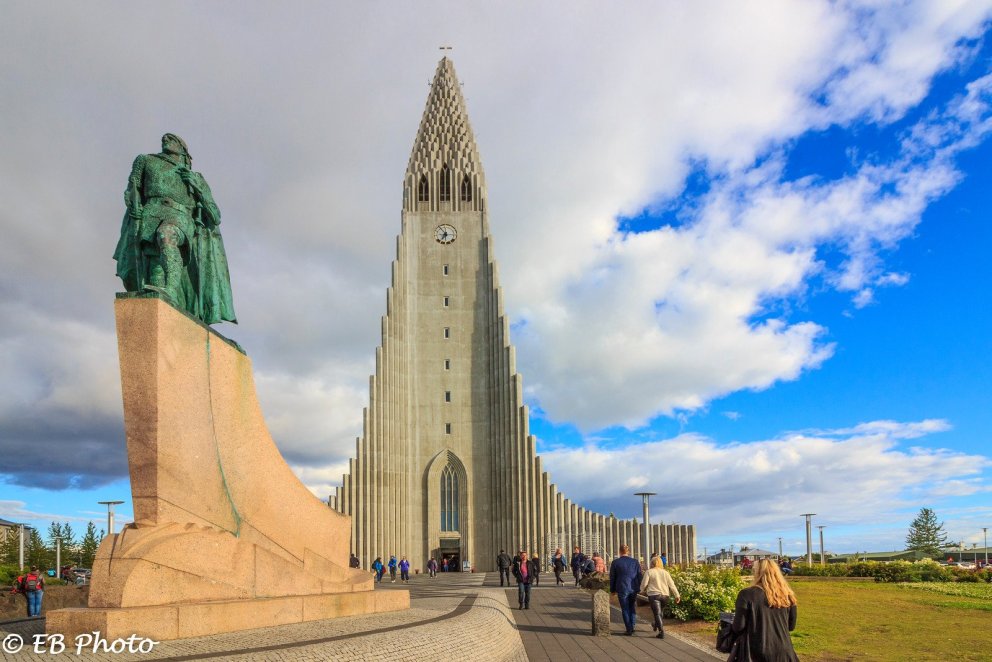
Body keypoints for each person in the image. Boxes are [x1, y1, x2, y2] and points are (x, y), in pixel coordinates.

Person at [114, 134, 236, 325]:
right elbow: (132, 189)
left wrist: (198, 188)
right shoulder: (145, 160)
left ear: (184, 150)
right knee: (155, 275)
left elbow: (215, 216)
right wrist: (133, 204)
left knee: (166, 235)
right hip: (151, 215)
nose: (166, 139)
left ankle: (171, 289)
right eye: (165, 138)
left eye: (172, 139)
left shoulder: (195, 177)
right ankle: (162, 317)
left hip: (180, 216)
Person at [731, 558, 799, 661]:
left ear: (757, 573)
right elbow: (791, 626)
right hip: (784, 651)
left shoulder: (746, 594)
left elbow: (738, 627)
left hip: (756, 652)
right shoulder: (788, 595)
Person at [640, 556, 680, 639]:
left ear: (652, 563)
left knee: (657, 613)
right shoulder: (665, 572)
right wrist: (677, 595)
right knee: (660, 612)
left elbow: (644, 584)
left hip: (654, 595)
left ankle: (661, 632)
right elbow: (672, 585)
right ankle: (655, 624)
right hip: (665, 595)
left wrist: (641, 590)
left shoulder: (649, 572)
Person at [609, 544, 643, 636]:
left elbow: (612, 577)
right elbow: (639, 575)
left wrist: (612, 590)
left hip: (622, 587)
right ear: (628, 551)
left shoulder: (615, 562)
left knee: (625, 608)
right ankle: (632, 626)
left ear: (619, 551)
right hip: (633, 588)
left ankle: (629, 629)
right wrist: (640, 587)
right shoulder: (635, 562)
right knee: (632, 607)